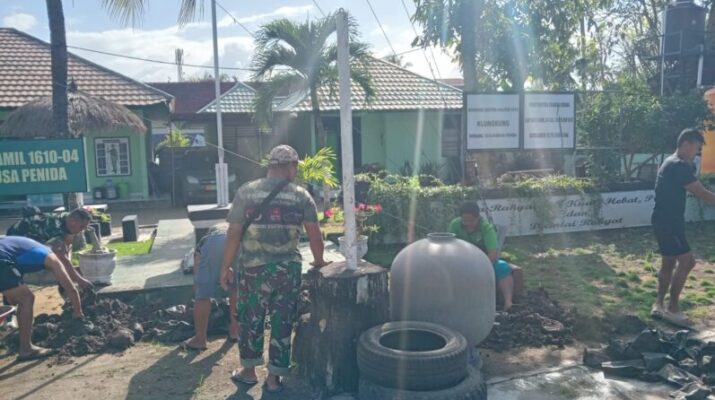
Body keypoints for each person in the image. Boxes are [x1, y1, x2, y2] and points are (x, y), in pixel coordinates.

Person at [220, 144, 330, 393]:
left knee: (250, 319)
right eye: (296, 167)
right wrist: (320, 261)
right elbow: (315, 235)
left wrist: (225, 267)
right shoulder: (302, 196)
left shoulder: (246, 192)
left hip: (253, 270)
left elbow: (233, 233)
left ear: (271, 165)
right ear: (291, 166)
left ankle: (249, 372)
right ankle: (273, 378)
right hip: (288, 270)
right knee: (283, 322)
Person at [651, 128, 715, 327]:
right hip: (670, 224)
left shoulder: (670, 161)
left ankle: (658, 305)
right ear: (686, 144)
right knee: (688, 262)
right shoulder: (679, 165)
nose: (696, 154)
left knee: (669, 263)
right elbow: (702, 193)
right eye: (696, 149)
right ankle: (672, 309)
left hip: (663, 221)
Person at [0, 236, 84, 361]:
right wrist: (78, 312)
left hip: (4, 259)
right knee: (26, 299)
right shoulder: (50, 255)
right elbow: (71, 288)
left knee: (21, 297)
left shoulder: (27, 247)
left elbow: (11, 293)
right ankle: (26, 349)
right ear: (58, 250)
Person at [181, 223, 239, 351]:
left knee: (203, 294)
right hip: (238, 240)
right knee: (235, 289)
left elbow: (198, 278)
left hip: (216, 243)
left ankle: (200, 339)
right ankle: (234, 331)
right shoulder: (230, 228)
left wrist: (198, 291)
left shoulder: (205, 240)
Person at [7, 207, 95, 291]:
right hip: (13, 243)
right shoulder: (55, 229)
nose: (82, 230)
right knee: (17, 285)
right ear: (72, 222)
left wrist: (68, 265)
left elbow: (68, 244)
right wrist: (80, 280)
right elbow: (62, 257)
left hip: (26, 238)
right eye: (82, 227)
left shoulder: (67, 218)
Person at [448, 201, 514, 311]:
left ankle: (508, 301)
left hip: (482, 261)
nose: (468, 224)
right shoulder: (455, 225)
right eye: (465, 221)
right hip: (461, 260)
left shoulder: (486, 228)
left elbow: (493, 254)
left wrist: (480, 269)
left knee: (503, 267)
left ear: (478, 217)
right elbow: (448, 246)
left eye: (471, 221)